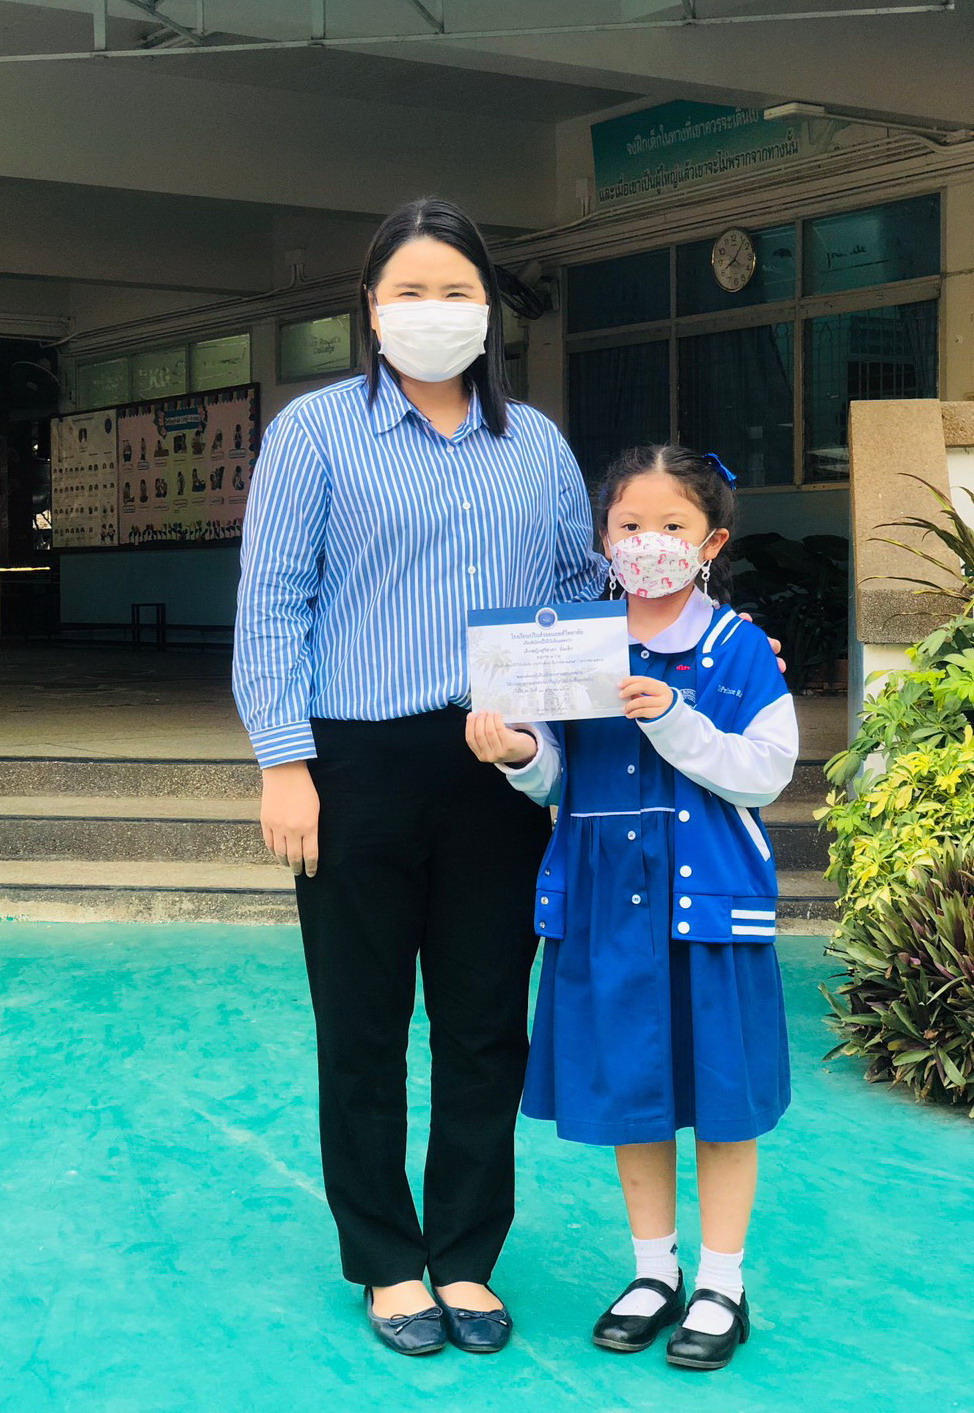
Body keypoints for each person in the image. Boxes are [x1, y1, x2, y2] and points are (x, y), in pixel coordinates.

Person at [232, 197, 606, 1357]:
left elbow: (579, 587)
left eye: (455, 291)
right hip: (355, 763)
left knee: (485, 1023)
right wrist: (284, 762)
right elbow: (273, 600)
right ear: (370, 307)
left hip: (497, 766)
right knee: (361, 1024)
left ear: (488, 309)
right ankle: (388, 1261)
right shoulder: (314, 433)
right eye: (409, 291)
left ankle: (465, 1254)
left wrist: (683, 632)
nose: (432, 311)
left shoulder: (532, 445)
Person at [466, 444, 798, 1372]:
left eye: (673, 525)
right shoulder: (575, 641)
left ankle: (722, 1282)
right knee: (635, 1096)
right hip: (605, 907)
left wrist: (673, 718)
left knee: (724, 1103)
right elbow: (557, 777)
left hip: (711, 909)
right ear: (604, 540)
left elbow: (766, 771)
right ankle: (654, 1271)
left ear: (712, 541)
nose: (649, 542)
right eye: (629, 525)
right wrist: (517, 753)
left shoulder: (738, 647)